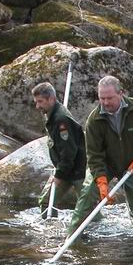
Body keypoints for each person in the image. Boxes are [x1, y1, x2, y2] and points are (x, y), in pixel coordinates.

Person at [67, 75, 133, 240]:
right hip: (106, 165)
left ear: (121, 94)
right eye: (102, 98)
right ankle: (72, 239)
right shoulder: (94, 120)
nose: (105, 102)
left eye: (109, 98)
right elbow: (94, 155)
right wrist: (102, 182)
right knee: (86, 199)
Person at [32, 82, 86, 214]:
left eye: (40, 101)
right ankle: (50, 225)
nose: (37, 106)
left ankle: (98, 225)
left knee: (88, 208)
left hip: (78, 170)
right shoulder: (52, 114)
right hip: (65, 168)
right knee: (46, 202)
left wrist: (59, 175)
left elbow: (68, 151)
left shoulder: (60, 120)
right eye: (36, 102)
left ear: (51, 99)